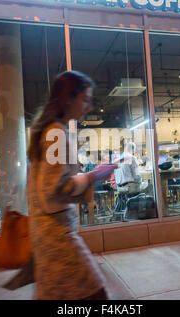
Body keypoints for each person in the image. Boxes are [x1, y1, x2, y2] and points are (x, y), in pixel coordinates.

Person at [25, 71, 116, 300]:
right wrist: (92, 177)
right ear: (68, 99)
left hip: (47, 235)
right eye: (85, 99)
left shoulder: (48, 130)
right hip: (58, 238)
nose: (88, 106)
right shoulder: (56, 133)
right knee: (95, 294)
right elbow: (54, 189)